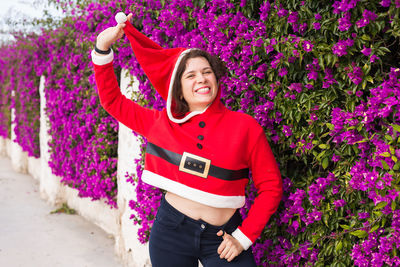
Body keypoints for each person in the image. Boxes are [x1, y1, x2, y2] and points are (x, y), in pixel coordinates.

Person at [91, 12, 282, 267]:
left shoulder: (245, 126)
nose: (201, 79)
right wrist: (102, 49)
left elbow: (271, 187)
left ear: (216, 78)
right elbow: (112, 101)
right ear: (178, 87)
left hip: (223, 237)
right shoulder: (161, 124)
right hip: (170, 233)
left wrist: (243, 237)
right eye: (190, 75)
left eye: (206, 72)